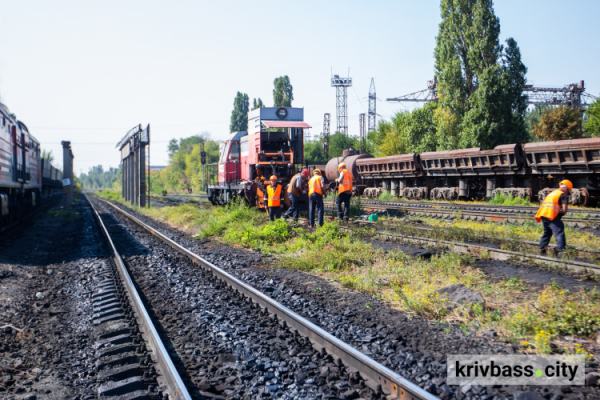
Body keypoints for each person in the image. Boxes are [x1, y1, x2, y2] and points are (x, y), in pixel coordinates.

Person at [535, 180, 572, 256]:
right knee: (559, 232)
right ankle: (562, 252)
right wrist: (560, 214)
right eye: (568, 192)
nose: (567, 194)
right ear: (566, 189)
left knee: (547, 233)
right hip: (551, 216)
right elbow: (564, 210)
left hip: (543, 215)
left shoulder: (552, 193)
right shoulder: (562, 195)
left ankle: (541, 250)